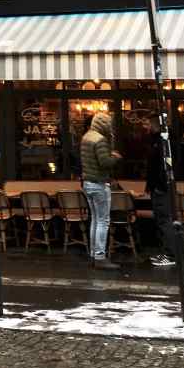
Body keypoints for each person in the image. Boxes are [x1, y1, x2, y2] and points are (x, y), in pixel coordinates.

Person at [80, 112, 121, 270]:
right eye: (109, 123)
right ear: (104, 124)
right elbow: (104, 163)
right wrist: (115, 157)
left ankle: (93, 254)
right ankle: (100, 257)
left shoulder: (86, 137)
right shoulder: (100, 139)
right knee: (103, 221)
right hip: (99, 184)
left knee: (95, 220)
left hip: (87, 183)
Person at [145, 117, 176, 267]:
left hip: (161, 188)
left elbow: (161, 167)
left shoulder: (162, 143)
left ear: (155, 125)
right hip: (158, 187)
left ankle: (170, 254)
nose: (146, 126)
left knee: (164, 220)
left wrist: (159, 186)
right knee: (162, 220)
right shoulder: (158, 141)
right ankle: (166, 252)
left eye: (148, 124)